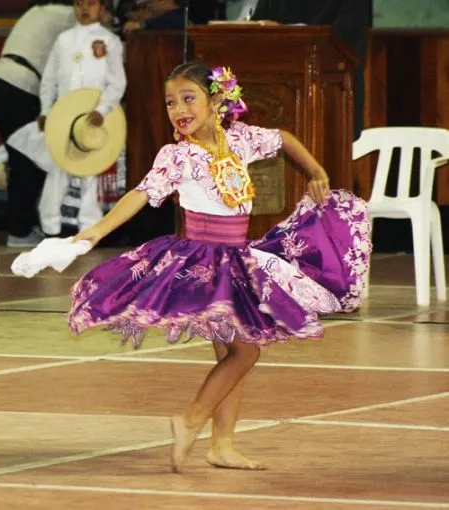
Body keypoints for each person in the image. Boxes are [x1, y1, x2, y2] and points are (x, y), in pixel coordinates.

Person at [68, 61, 371, 471]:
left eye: (188, 98)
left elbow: (283, 139)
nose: (178, 109)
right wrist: (98, 229)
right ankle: (191, 418)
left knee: (232, 350)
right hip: (202, 263)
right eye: (171, 102)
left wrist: (316, 170)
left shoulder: (241, 140)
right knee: (245, 352)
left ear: (215, 101)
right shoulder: (178, 155)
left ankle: (222, 445)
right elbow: (141, 193)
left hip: (237, 259)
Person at [0, 0, 76, 248]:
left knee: (22, 156)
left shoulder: (37, 11)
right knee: (29, 160)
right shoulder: (65, 15)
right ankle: (20, 231)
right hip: (20, 87)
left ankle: (21, 226)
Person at [37, 0, 126, 236]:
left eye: (91, 4)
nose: (84, 9)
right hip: (65, 114)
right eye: (79, 4)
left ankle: (89, 225)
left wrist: (103, 108)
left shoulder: (110, 41)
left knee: (91, 168)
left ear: (101, 8)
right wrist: (46, 111)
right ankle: (51, 226)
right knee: (58, 167)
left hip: (94, 115)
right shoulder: (63, 40)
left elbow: (117, 82)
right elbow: (49, 80)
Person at [248, 0, 372, 139]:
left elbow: (347, 34)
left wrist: (288, 32)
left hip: (330, 95)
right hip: (274, 94)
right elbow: (259, 24)